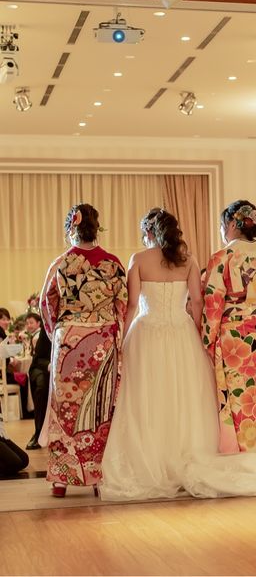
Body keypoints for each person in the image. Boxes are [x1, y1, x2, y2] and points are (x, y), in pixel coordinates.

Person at [100, 208, 256, 501]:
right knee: (188, 397)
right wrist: (198, 337)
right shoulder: (196, 260)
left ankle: (155, 459)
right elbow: (197, 302)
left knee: (147, 398)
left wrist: (121, 340)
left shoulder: (140, 260)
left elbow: (132, 305)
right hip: (210, 334)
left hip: (151, 332)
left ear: (149, 232)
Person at [40, 203, 128, 498]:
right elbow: (122, 305)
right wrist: (113, 333)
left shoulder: (61, 263)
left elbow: (46, 304)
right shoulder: (113, 263)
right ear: (96, 227)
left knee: (65, 409)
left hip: (69, 340)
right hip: (103, 339)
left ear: (71, 228)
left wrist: (58, 334)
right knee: (99, 410)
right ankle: (96, 476)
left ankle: (61, 479)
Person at [201, 200, 256, 464]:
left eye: (222, 225)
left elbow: (213, 303)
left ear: (231, 224)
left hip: (235, 338)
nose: (222, 231)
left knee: (237, 400)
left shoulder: (223, 258)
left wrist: (207, 339)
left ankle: (239, 461)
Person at [25, 321, 51, 450]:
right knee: (42, 386)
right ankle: (38, 432)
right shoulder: (47, 328)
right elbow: (39, 358)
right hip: (42, 366)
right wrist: (49, 365)